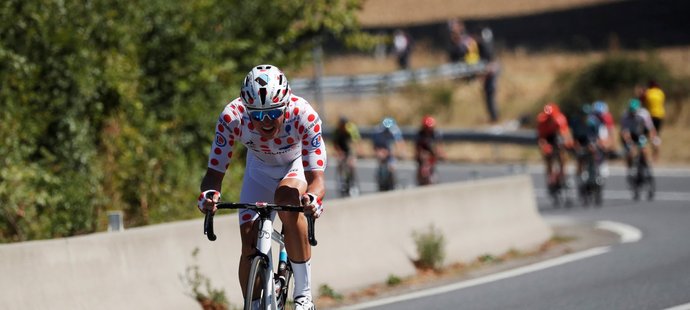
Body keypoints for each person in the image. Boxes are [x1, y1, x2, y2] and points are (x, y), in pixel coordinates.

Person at [197, 64, 326, 310]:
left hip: (295, 166)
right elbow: (214, 173)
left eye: (273, 113)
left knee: (287, 200)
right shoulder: (232, 117)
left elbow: (317, 179)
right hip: (259, 170)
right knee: (248, 241)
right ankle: (254, 304)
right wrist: (208, 195)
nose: (265, 122)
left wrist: (312, 198)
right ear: (247, 110)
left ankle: (303, 296)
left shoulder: (304, 115)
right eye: (256, 115)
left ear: (286, 105)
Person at [536, 103, 574, 194]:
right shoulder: (542, 120)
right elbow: (541, 138)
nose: (550, 119)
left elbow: (565, 133)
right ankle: (550, 178)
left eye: (552, 117)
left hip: (557, 136)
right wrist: (544, 148)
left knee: (562, 156)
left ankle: (563, 175)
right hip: (547, 137)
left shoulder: (560, 119)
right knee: (548, 157)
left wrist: (568, 143)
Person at [620, 98, 660, 177]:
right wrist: (630, 143)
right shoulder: (625, 116)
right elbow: (624, 132)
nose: (633, 114)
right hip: (630, 134)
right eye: (631, 112)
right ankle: (630, 168)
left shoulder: (644, 114)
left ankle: (646, 164)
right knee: (630, 152)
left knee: (644, 149)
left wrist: (653, 138)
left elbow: (651, 128)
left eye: (635, 112)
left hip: (640, 133)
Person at [372, 117, 405, 190]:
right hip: (382, 150)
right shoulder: (377, 132)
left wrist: (399, 153)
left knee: (392, 166)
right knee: (381, 163)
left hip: (391, 152)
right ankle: (380, 179)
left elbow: (399, 144)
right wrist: (379, 152)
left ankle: (393, 183)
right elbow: (375, 145)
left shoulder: (395, 131)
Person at [332, 116, 361, 196]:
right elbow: (335, 144)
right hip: (341, 149)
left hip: (349, 149)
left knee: (351, 165)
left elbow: (355, 142)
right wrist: (339, 153)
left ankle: (353, 183)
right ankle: (342, 181)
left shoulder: (350, 129)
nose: (342, 127)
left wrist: (354, 153)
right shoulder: (337, 131)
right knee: (340, 164)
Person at [478, 27, 500, 123]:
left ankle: (494, 116)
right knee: (489, 96)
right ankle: (493, 116)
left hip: (490, 77)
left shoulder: (488, 48)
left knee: (490, 95)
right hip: (489, 76)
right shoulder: (488, 47)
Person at [415, 115, 445, 185]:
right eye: (427, 128)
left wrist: (440, 154)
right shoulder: (420, 135)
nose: (429, 130)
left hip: (432, 157)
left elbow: (439, 147)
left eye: (430, 128)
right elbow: (417, 149)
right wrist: (420, 156)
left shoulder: (436, 134)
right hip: (422, 157)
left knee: (433, 178)